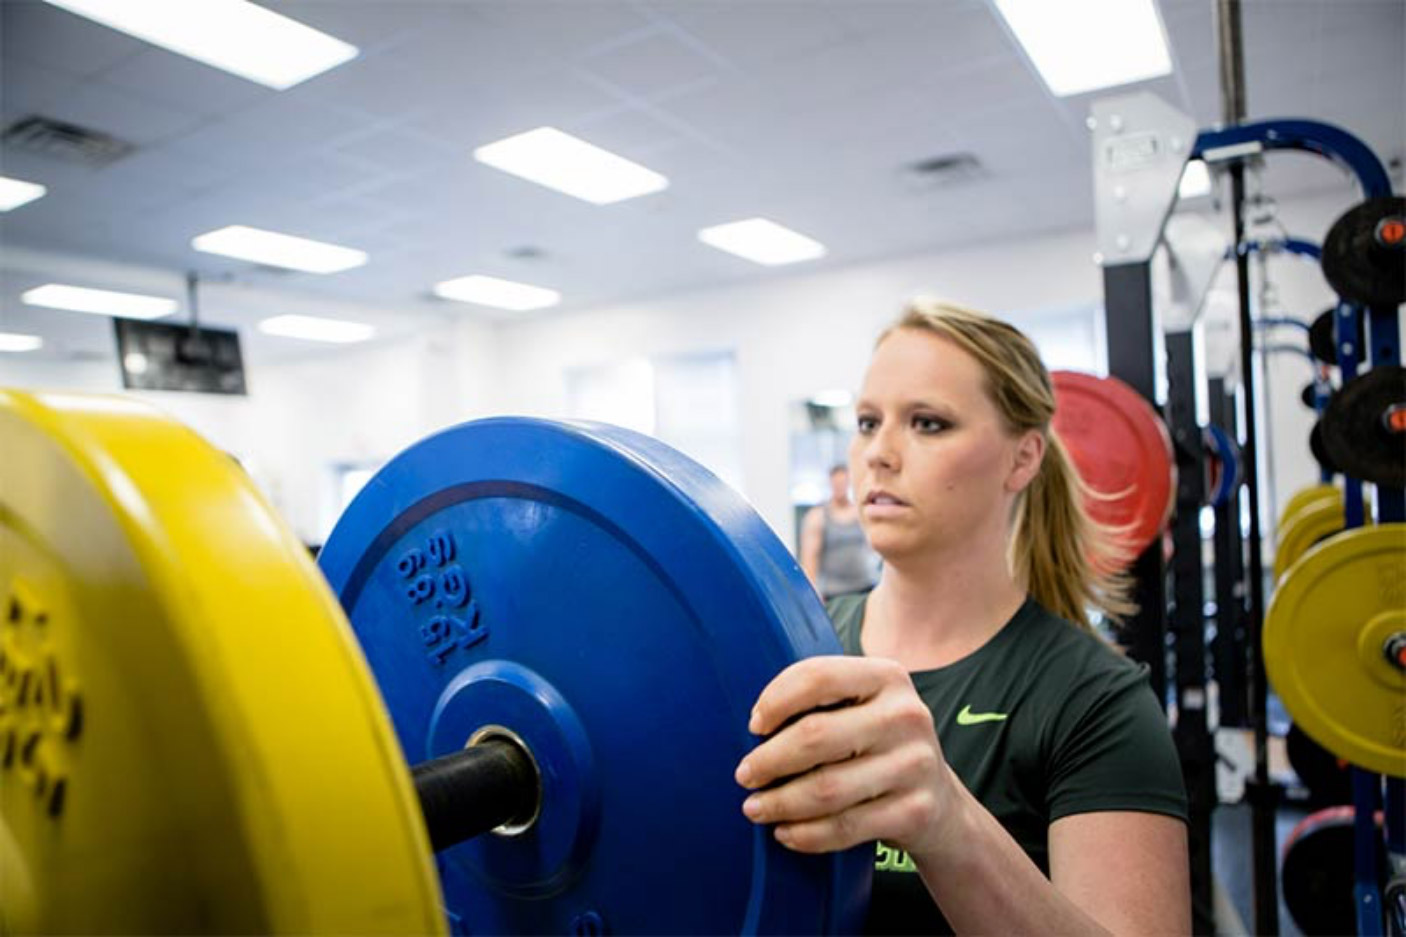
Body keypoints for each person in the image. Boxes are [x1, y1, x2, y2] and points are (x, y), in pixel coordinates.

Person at [736, 300, 1190, 935]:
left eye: (928, 423)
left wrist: (949, 825)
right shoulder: (790, 649)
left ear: (1023, 458)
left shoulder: (1095, 702)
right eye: (868, 422)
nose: (879, 453)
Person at [800, 465, 879, 600]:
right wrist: (812, 593)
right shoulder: (818, 516)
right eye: (837, 483)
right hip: (833, 593)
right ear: (830, 484)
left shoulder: (860, 513)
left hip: (864, 588)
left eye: (843, 483)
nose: (840, 487)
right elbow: (809, 558)